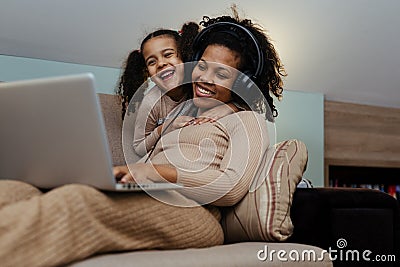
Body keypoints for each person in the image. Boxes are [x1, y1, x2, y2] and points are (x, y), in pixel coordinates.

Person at [0, 9, 286, 267]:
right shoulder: (182, 111)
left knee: (79, 201)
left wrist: (154, 171)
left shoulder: (247, 120)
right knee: (14, 190)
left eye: (222, 73)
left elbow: (231, 187)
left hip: (196, 212)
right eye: (201, 66)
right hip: (149, 192)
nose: (204, 79)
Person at [116, 22, 241, 158]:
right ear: (149, 74)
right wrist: (165, 128)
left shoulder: (198, 84)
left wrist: (229, 107)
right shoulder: (151, 103)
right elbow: (139, 147)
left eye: (168, 54)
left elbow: (243, 104)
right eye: (152, 62)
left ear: (184, 56)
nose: (161, 63)